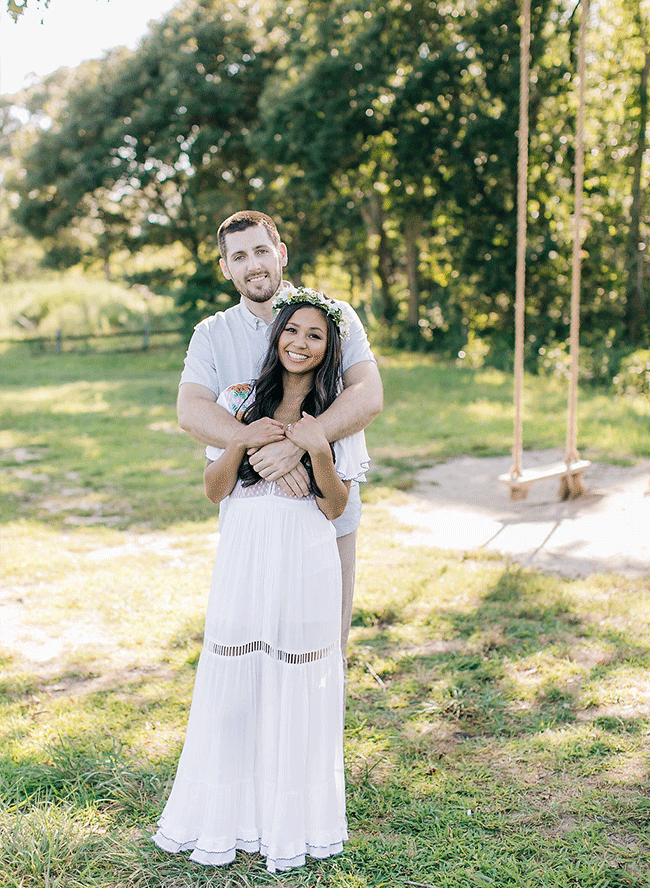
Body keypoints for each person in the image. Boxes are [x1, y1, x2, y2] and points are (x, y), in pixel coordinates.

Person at [152, 289, 370, 871]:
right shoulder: (241, 400)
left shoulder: (336, 412)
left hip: (304, 553)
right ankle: (229, 814)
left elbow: (334, 505)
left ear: (329, 349)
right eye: (291, 331)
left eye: (315, 336)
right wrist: (243, 439)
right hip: (245, 554)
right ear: (276, 337)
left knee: (298, 679)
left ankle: (292, 817)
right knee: (236, 680)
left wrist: (313, 451)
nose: (301, 343)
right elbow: (214, 488)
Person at [176, 210, 383, 666]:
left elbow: (367, 395)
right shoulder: (212, 334)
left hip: (326, 511)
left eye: (261, 251)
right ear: (226, 268)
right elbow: (191, 411)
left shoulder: (335, 315)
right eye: (240, 256)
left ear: (281, 253)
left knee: (322, 650)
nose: (254, 265)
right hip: (251, 516)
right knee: (248, 650)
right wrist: (258, 445)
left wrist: (300, 444)